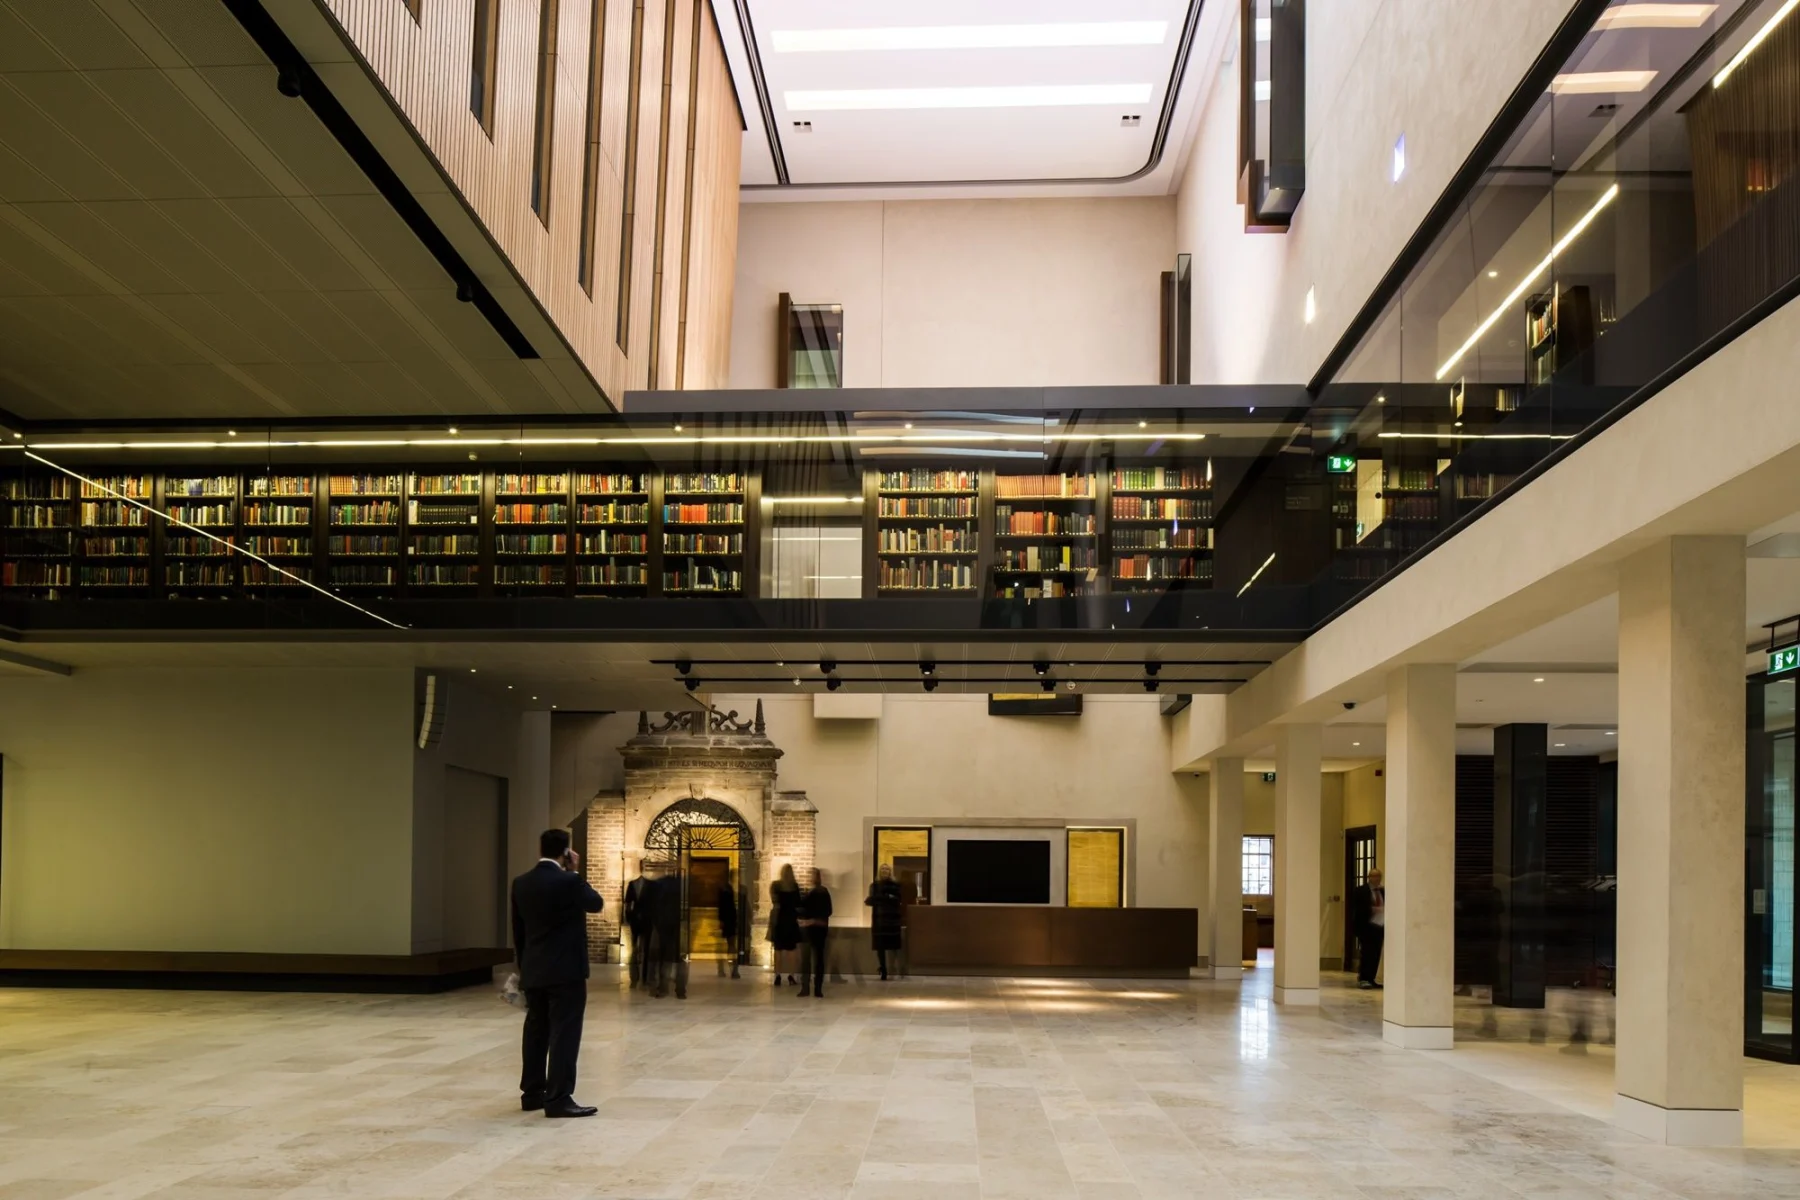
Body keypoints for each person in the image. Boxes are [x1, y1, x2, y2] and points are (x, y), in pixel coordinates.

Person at [510, 828, 604, 1118]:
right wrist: (575, 872)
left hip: (534, 969)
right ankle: (559, 1097)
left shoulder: (521, 883)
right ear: (566, 852)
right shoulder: (569, 881)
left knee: (536, 1030)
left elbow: (519, 931)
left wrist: (524, 968)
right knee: (565, 1032)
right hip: (567, 972)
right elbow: (596, 903)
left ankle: (532, 1093)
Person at [646, 865, 687, 1000]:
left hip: (663, 926)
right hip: (676, 926)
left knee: (664, 958)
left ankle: (663, 988)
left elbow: (653, 907)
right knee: (677, 959)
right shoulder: (681, 885)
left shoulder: (658, 886)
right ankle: (680, 990)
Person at [797, 868, 833, 998]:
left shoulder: (820, 892)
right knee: (814, 960)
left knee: (812, 960)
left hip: (815, 929)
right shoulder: (811, 893)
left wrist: (811, 920)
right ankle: (814, 988)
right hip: (814, 929)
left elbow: (827, 911)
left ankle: (810, 988)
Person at [865, 863, 904, 981]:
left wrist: (881, 898)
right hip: (879, 919)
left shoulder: (895, 885)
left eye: (887, 869)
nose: (885, 871)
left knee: (894, 946)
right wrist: (886, 898)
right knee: (880, 946)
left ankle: (897, 969)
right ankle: (883, 969)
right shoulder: (874, 885)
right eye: (882, 869)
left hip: (892, 919)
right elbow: (869, 900)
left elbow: (898, 899)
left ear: (890, 872)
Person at [1350, 868, 1386, 990]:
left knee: (1376, 954)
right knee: (1366, 953)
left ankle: (1372, 978)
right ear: (1369, 877)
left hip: (1379, 926)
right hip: (1366, 927)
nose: (1376, 879)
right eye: (1373, 876)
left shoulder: (1383, 891)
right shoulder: (1361, 891)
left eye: (1378, 876)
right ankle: (1363, 978)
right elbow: (1356, 909)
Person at [768, 864, 801, 986]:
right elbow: (798, 903)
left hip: (780, 920)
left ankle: (777, 975)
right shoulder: (795, 886)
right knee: (791, 950)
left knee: (778, 950)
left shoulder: (776, 885)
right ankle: (791, 976)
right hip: (791, 920)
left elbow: (774, 901)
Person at [623, 869, 650, 988]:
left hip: (646, 920)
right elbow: (628, 903)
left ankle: (644, 977)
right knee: (635, 949)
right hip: (637, 920)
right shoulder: (632, 884)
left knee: (644, 950)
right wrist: (629, 918)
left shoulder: (650, 885)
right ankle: (635, 977)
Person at [717, 881, 740, 978]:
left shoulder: (724, 896)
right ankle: (734, 969)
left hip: (727, 923)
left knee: (725, 947)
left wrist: (721, 921)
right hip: (731, 922)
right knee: (731, 946)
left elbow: (722, 910)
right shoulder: (730, 896)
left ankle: (724, 969)